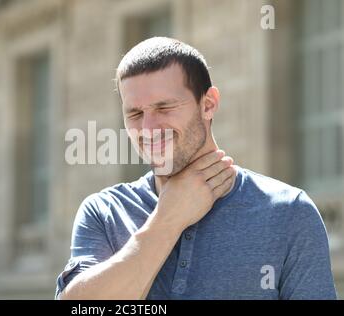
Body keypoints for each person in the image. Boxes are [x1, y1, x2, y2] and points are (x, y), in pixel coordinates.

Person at [56, 37, 337, 299]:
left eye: (164, 108)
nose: (148, 128)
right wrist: (168, 219)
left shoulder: (290, 212)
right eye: (136, 114)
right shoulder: (104, 211)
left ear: (209, 104)